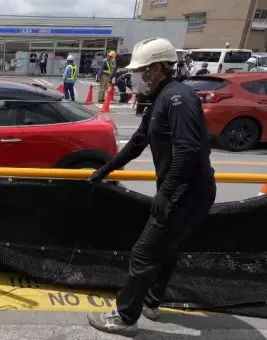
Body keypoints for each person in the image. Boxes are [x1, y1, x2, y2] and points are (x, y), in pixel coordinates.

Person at [86, 37, 216, 337]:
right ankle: (151, 302)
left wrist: (166, 193)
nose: (133, 77)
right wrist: (104, 170)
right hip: (184, 191)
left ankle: (123, 317)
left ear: (156, 69)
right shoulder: (160, 98)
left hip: (187, 192)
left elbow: (187, 149)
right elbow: (137, 143)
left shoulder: (178, 98)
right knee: (166, 249)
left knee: (144, 254)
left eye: (139, 70)